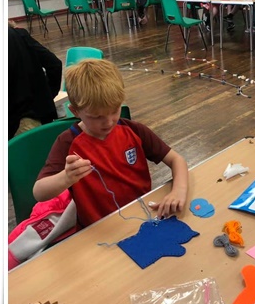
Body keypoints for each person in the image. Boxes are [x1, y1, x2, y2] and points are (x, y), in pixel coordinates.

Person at [33, 59, 189, 227]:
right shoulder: (67, 142)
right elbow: (39, 192)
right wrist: (66, 177)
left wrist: (178, 190)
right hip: (97, 228)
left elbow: (176, 160)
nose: (108, 122)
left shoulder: (133, 130)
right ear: (75, 111)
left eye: (114, 111)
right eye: (97, 117)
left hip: (142, 217)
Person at [8, 21, 62, 140]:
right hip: (39, 114)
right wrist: (47, 95)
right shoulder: (20, 34)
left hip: (17, 125)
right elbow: (55, 64)